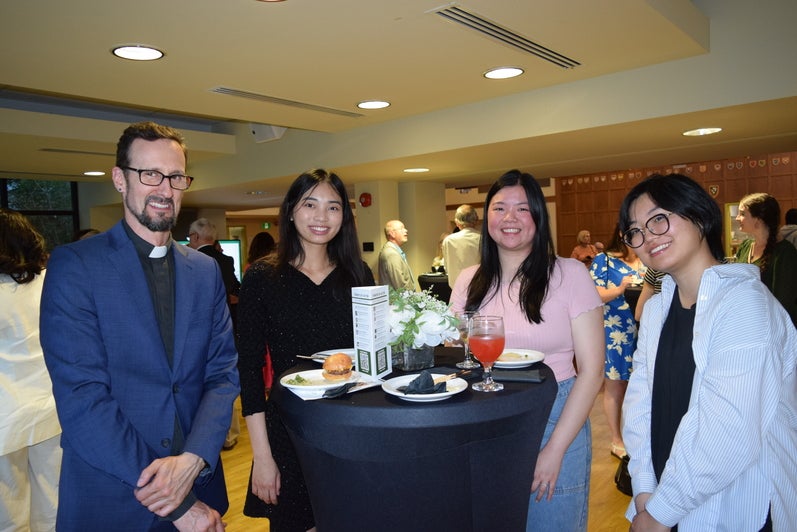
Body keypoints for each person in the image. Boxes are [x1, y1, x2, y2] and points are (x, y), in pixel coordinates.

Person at [39, 121, 240, 531]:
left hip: (199, 481)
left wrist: (193, 459)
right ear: (119, 179)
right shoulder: (76, 265)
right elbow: (82, 399)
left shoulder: (204, 271)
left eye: (176, 177)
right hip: (114, 494)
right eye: (150, 174)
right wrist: (179, 504)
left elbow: (222, 374)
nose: (164, 189)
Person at [619, 173, 797, 531]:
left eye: (658, 218)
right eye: (635, 230)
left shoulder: (744, 304)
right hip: (666, 498)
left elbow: (729, 431)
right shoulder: (658, 308)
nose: (647, 237)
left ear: (699, 215)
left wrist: (659, 513)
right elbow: (639, 404)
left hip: (739, 503)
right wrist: (644, 490)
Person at [449, 169, 604, 532]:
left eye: (522, 209)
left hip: (554, 414)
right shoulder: (469, 280)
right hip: (484, 417)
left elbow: (593, 371)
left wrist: (554, 450)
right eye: (499, 208)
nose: (509, 218)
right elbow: (454, 349)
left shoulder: (569, 274)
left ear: (538, 216)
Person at [236, 168, 374, 531]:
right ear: (291, 211)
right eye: (310, 204)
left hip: (351, 429)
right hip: (289, 431)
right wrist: (262, 458)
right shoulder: (262, 277)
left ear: (344, 216)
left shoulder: (358, 275)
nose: (321, 217)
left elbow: (374, 359)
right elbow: (248, 372)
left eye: (333, 207)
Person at [0, 209, 61, 532]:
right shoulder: (51, 283)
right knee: (53, 505)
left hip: (5, 418)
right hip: (51, 410)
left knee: (9, 516)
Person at [589, 227, 645, 460]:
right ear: (622, 233)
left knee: (642, 385)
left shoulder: (650, 256)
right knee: (615, 384)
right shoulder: (605, 260)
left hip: (646, 328)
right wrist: (620, 289)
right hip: (615, 329)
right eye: (633, 232)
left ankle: (640, 437)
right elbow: (593, 294)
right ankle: (616, 438)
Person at [735, 193, 797, 326]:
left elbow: (783, 302)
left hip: (772, 327)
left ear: (758, 219)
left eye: (742, 214)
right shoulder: (745, 247)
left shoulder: (785, 252)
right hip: (747, 322)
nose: (737, 218)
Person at [442, 204, 481, 288]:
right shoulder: (484, 240)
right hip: (480, 290)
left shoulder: (448, 241)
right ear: (477, 220)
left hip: (456, 290)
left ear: (456, 222)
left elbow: (446, 268)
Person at [378, 219, 415, 291]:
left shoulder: (393, 250)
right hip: (400, 301)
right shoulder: (391, 254)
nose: (406, 230)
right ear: (392, 234)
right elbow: (400, 287)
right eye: (402, 228)